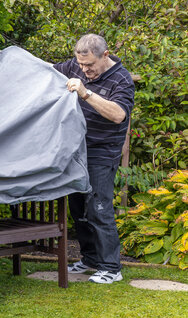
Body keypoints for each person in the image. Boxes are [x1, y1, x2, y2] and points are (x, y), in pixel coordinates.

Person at [53, 34, 135, 284]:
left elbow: (119, 114)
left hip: (102, 152)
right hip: (76, 150)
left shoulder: (122, 79)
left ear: (105, 55)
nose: (84, 70)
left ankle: (111, 267)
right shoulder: (75, 65)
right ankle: (89, 259)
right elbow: (45, 74)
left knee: (99, 208)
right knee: (78, 209)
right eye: (81, 64)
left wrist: (85, 93)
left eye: (89, 65)